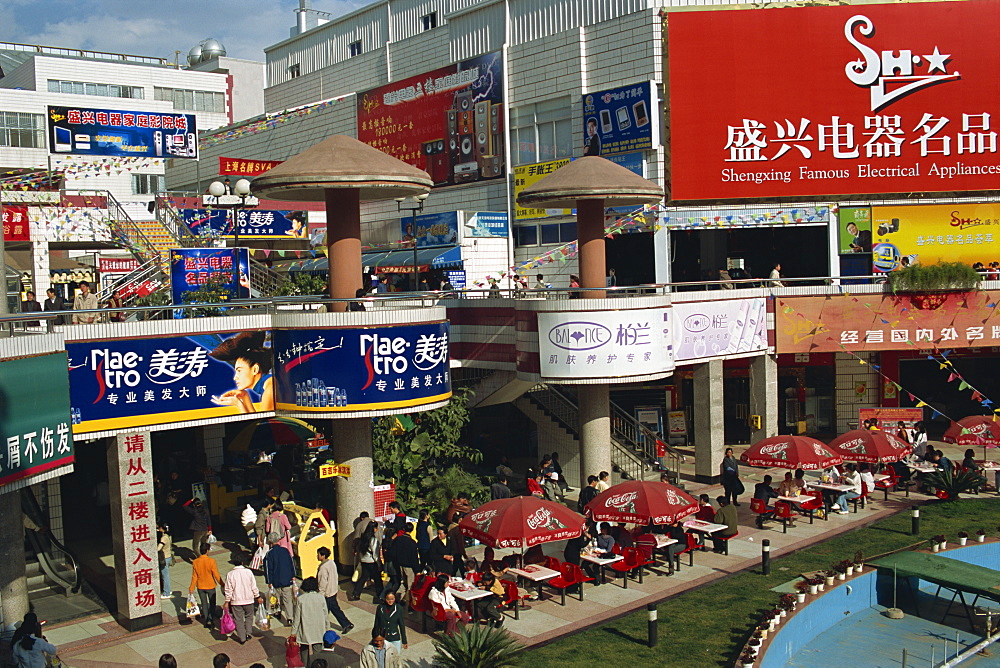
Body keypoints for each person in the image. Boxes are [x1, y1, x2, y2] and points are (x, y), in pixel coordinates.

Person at [209, 331, 275, 412]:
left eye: (239, 371)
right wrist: (245, 397)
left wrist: (238, 404)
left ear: (255, 369)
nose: (235, 377)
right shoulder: (267, 385)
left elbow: (266, 424)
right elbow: (257, 420)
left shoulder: (270, 389)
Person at [223, 552, 262, 644]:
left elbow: (228, 589)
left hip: (236, 601)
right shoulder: (248, 572)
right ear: (243, 562)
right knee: (249, 617)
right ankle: (248, 632)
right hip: (249, 599)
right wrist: (258, 596)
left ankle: (242, 638)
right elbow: (253, 586)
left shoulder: (230, 574)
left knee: (238, 620)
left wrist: (227, 601)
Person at [316, 546, 355, 634]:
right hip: (333, 590)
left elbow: (322, 582)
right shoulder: (331, 563)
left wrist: (320, 593)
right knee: (334, 609)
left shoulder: (323, 568)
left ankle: (346, 624)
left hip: (327, 593)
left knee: (324, 611)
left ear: (323, 556)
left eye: (318, 554)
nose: (317, 556)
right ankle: (346, 624)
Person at [292, 576, 328, 662]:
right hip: (318, 630)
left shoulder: (301, 599)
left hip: (305, 630)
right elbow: (326, 615)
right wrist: (327, 629)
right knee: (318, 651)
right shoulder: (321, 598)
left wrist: (293, 633)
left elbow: (297, 618)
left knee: (304, 650)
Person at [189, 541, 223, 628]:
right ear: (207, 551)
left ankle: (206, 619)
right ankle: (210, 619)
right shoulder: (211, 561)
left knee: (204, 603)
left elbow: (194, 576)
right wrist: (222, 584)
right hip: (210, 585)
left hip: (200, 586)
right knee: (212, 603)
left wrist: (191, 587)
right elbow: (216, 574)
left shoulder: (196, 562)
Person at [263, 535, 296, 624]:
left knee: (276, 598)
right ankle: (290, 618)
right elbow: (291, 563)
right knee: (288, 599)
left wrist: (269, 581)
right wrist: (293, 575)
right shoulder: (285, 551)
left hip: (275, 580)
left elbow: (267, 569)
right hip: (287, 579)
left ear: (270, 542)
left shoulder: (269, 554)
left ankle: (278, 612)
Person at [381, 522, 419, 598]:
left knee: (403, 583)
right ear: (412, 530)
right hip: (409, 566)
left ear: (404, 529)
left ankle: (399, 596)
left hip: (399, 564)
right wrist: (417, 570)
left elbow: (393, 551)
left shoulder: (398, 539)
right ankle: (408, 600)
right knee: (410, 584)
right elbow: (414, 558)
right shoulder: (412, 542)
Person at [350, 520, 382, 601]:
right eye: (376, 528)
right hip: (372, 561)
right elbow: (375, 553)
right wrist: (379, 564)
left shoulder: (362, 539)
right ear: (374, 529)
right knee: (377, 579)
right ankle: (380, 594)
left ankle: (355, 594)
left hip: (364, 561)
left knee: (363, 577)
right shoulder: (374, 540)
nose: (377, 529)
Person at [157, 520, 173, 599]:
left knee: (165, 575)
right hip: (168, 556)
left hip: (164, 558)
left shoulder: (164, 538)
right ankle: (168, 590)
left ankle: (167, 592)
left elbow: (158, 548)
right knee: (165, 574)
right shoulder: (169, 536)